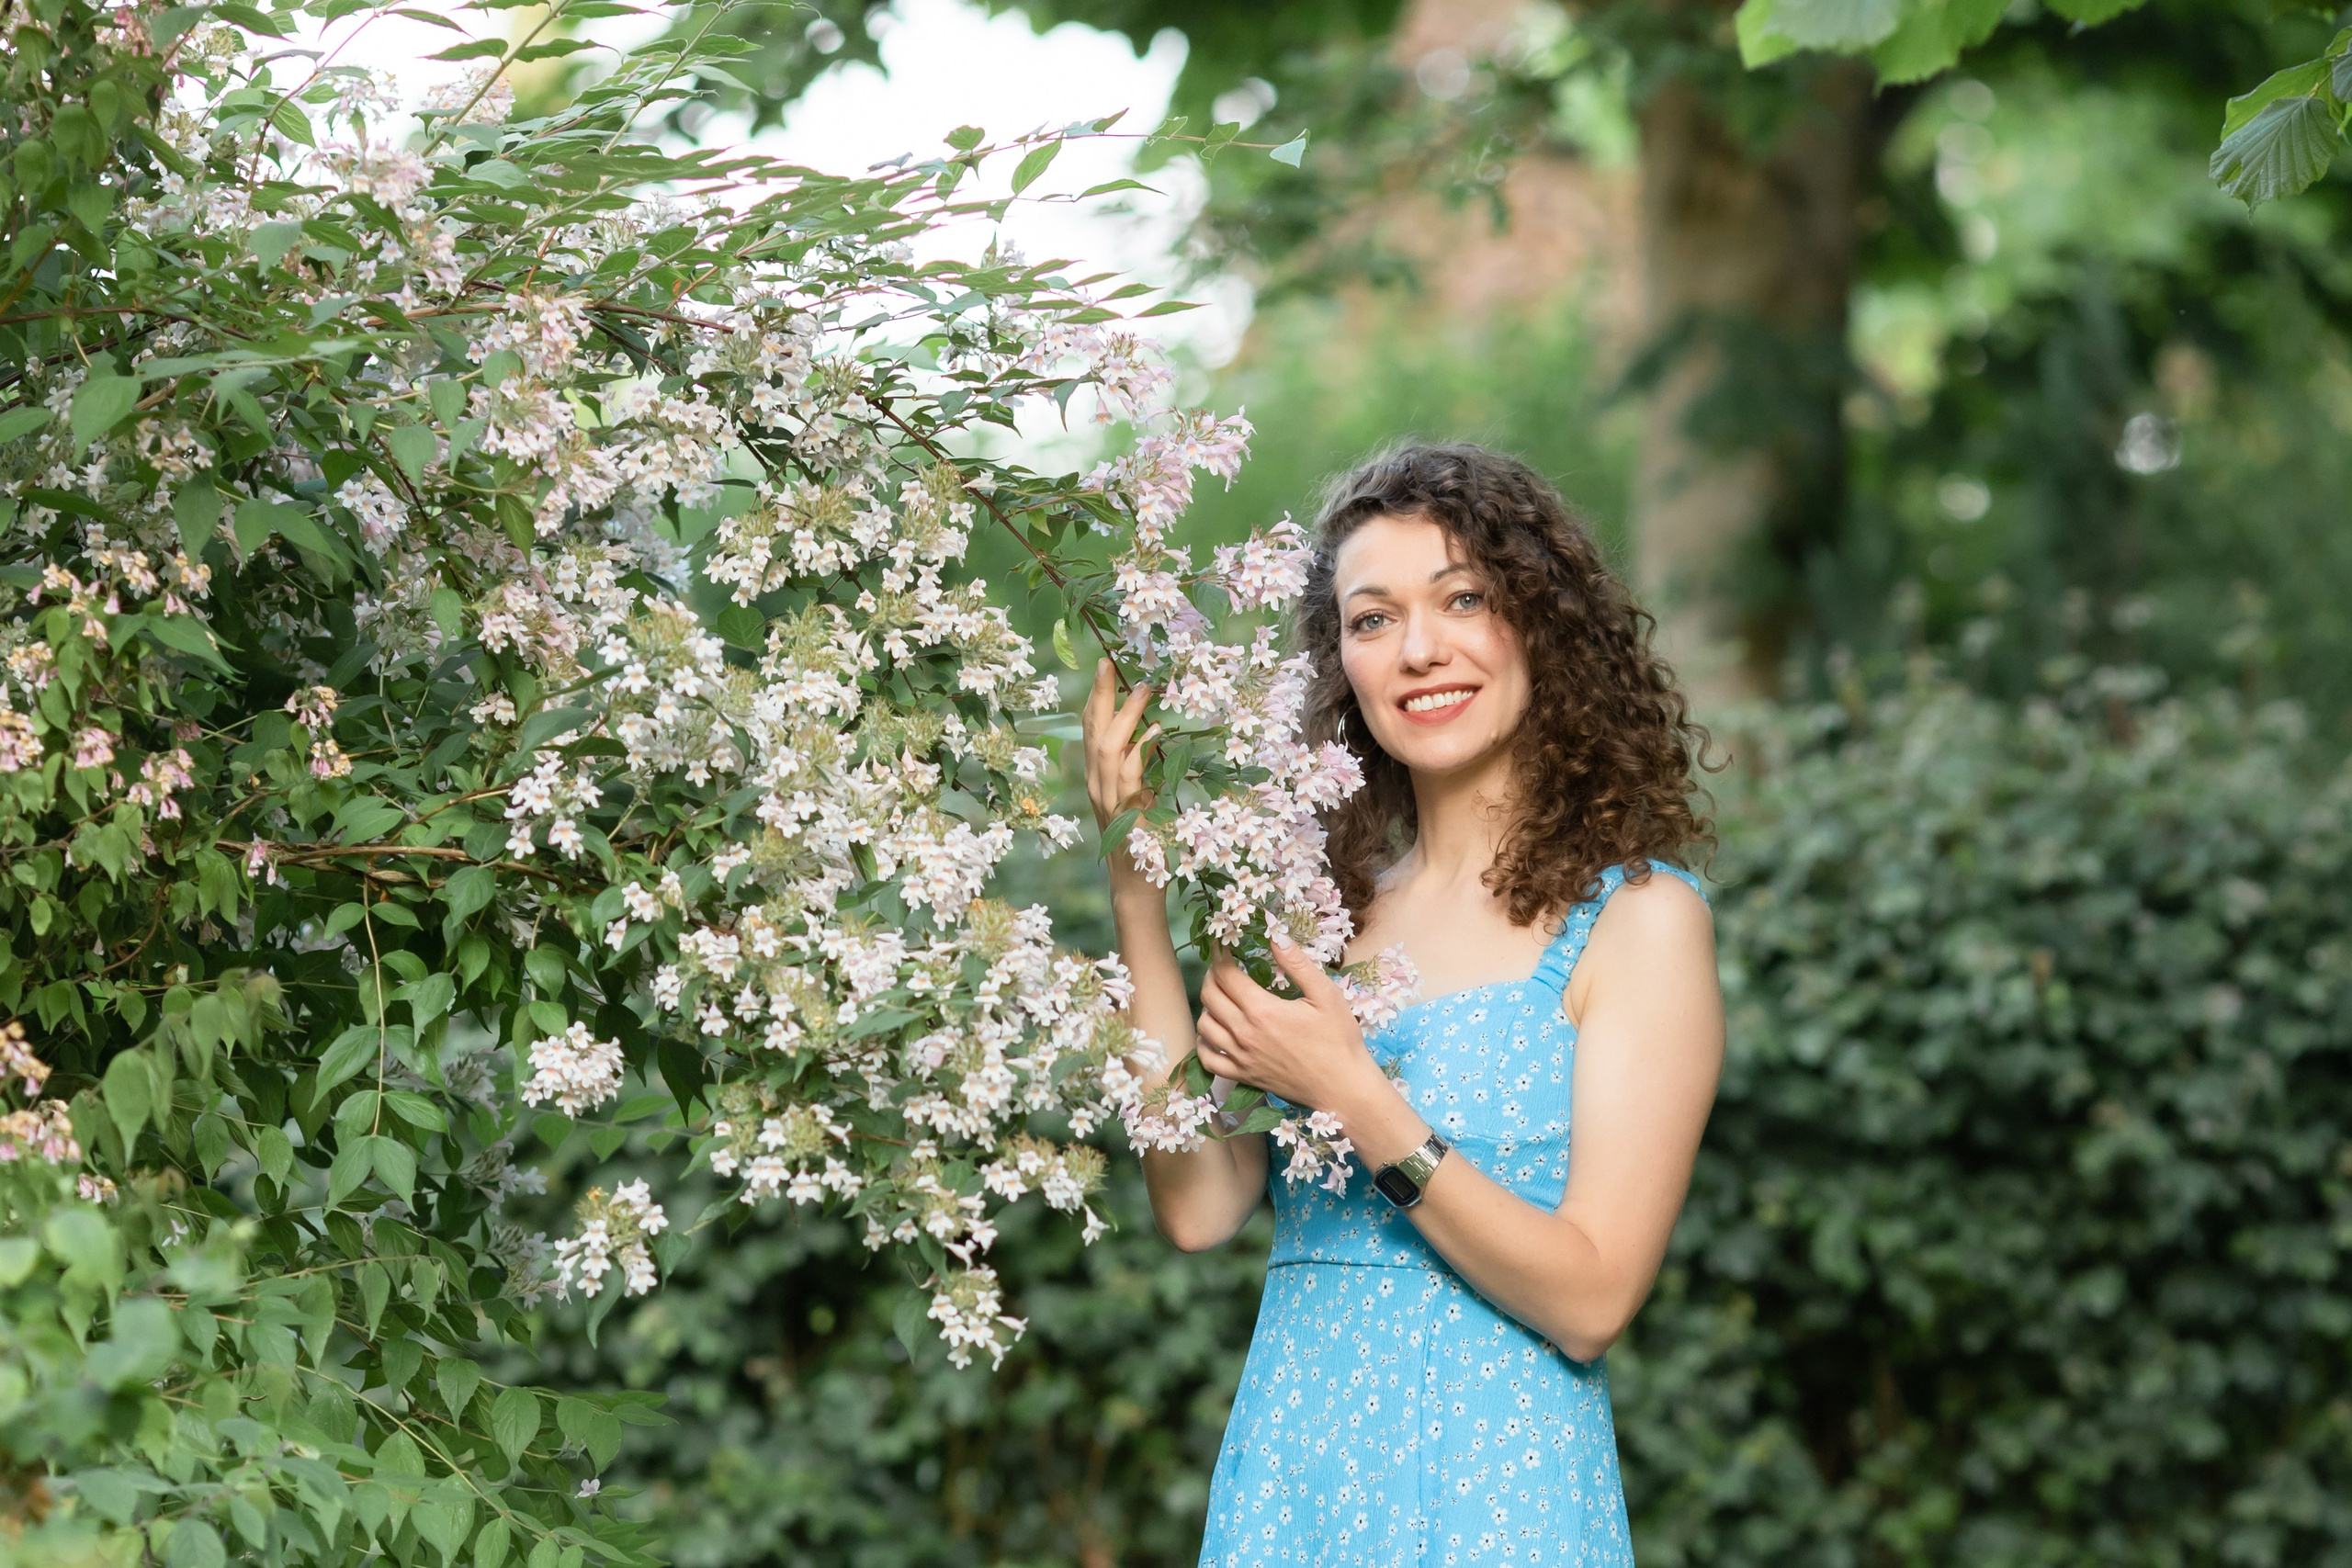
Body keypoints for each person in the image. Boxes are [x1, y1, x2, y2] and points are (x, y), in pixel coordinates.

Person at [1081, 443, 1724, 1566]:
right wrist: (1135, 882)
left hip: (1498, 1498)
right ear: (1340, 665)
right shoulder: (1316, 916)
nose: (1419, 649)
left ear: (1542, 625)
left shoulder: (1638, 921)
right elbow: (1198, 1207)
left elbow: (1592, 1300)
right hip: (1293, 1490)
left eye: (1463, 599)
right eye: (1372, 620)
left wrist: (1352, 1092)